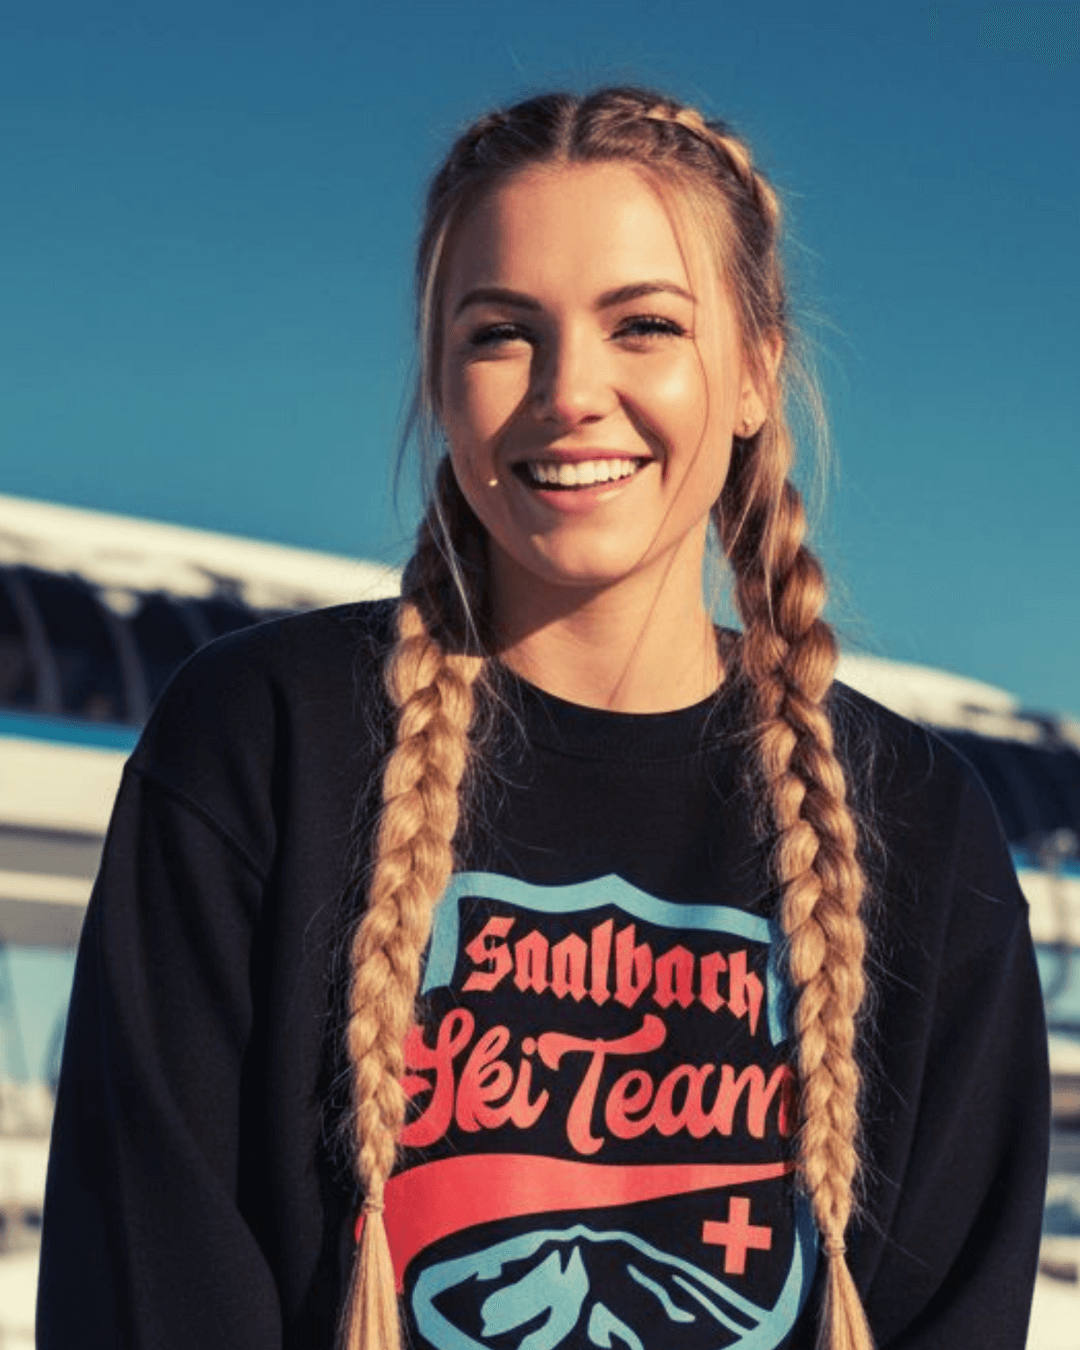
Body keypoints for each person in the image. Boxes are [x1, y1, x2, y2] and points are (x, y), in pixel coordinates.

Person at [38, 87, 1049, 1350]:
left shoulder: (920, 826)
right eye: (504, 333)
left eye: (644, 326)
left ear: (752, 374)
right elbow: (145, 1281)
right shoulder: (262, 743)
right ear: (440, 381)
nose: (572, 391)